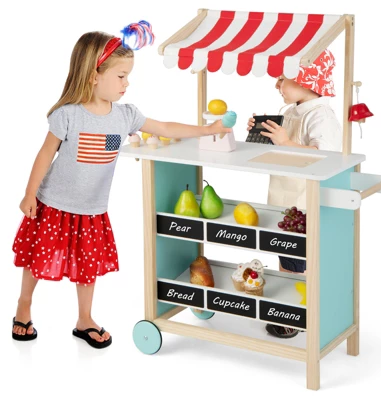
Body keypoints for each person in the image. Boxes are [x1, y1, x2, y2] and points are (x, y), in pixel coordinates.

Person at [11, 22, 231, 349]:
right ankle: (24, 305)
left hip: (92, 209)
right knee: (37, 259)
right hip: (54, 203)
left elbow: (165, 127)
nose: (127, 83)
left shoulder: (125, 115)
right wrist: (30, 194)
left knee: (88, 267)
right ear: (93, 76)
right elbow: (45, 154)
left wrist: (207, 130)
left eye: (127, 76)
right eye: (121, 76)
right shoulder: (68, 115)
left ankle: (84, 319)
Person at [247, 49, 342, 339]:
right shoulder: (291, 112)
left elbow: (325, 157)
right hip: (284, 200)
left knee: (298, 263)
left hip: (303, 204)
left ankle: (296, 316)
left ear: (305, 80)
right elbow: (279, 150)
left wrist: (286, 142)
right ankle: (289, 308)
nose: (277, 84)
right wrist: (262, 133)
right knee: (286, 258)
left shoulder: (321, 115)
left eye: (282, 78)